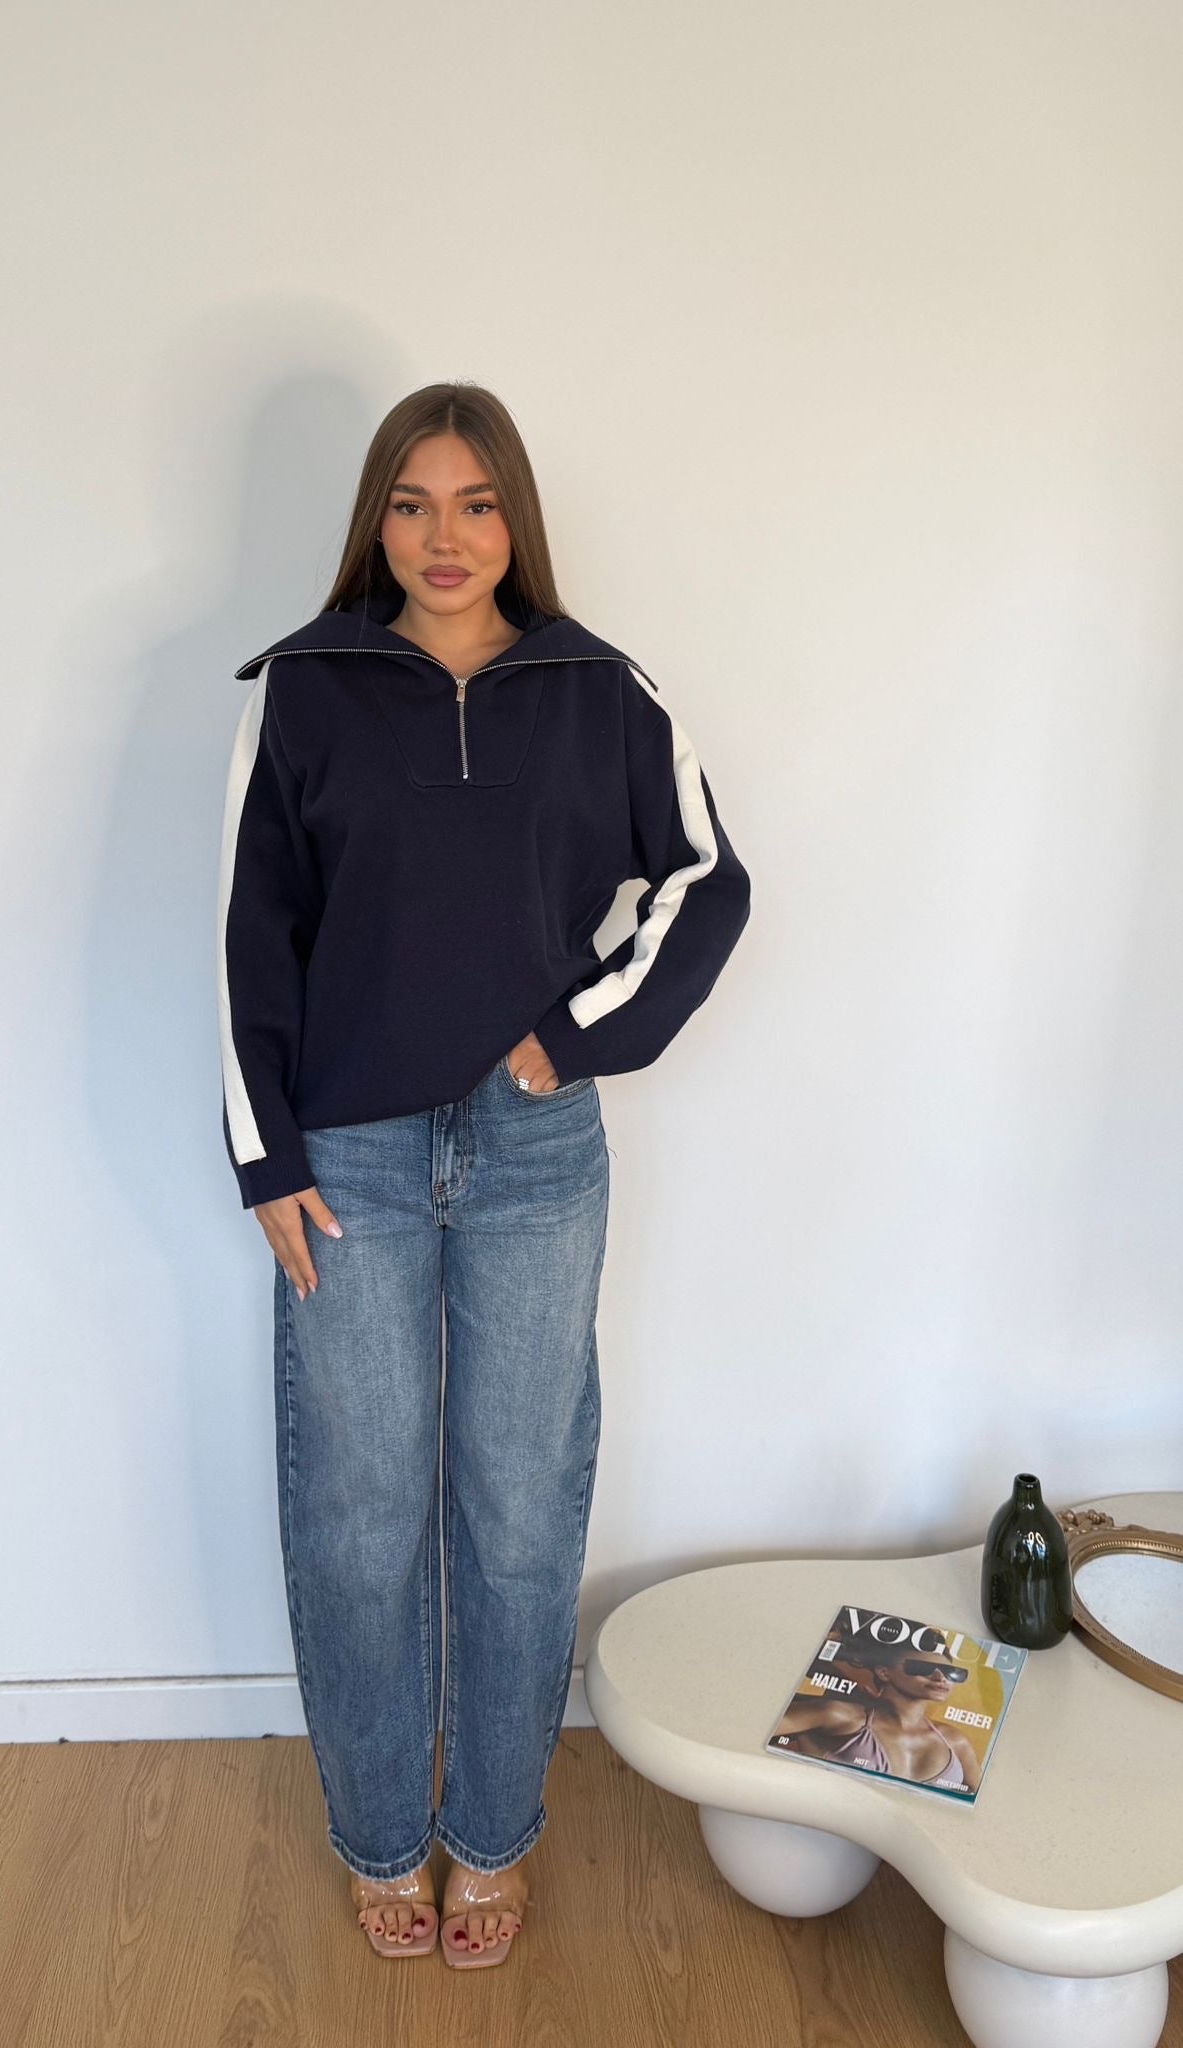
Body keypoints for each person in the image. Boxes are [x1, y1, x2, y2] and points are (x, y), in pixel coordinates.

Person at [216, 381, 752, 1966]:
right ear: (373, 520)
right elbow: (249, 927)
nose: (440, 537)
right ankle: (385, 1836)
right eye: (409, 503)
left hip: (531, 1156)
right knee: (359, 1513)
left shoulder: (597, 689)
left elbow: (707, 878)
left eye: (473, 503)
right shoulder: (303, 689)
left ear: (514, 516)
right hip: (348, 1160)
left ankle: (493, 1834)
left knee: (516, 1512)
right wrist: (264, 1152)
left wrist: (572, 1035)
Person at [772, 1639, 984, 1793]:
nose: (940, 1678)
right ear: (884, 1672)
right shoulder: (839, 1715)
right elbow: (760, 1724)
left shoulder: (955, 1740)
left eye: (950, 1672)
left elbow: (978, 1805)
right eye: (922, 1668)